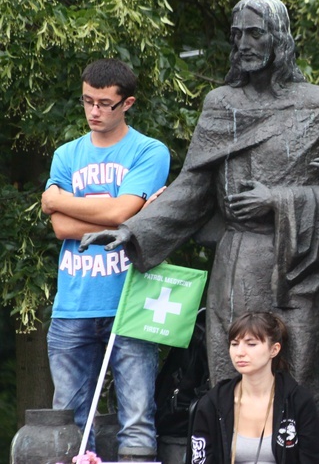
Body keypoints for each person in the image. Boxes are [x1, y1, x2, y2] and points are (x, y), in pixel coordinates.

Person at [79, 0, 319, 463]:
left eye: (255, 33)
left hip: (296, 267)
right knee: (231, 380)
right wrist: (134, 230)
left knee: (301, 385)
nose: (243, 43)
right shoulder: (220, 104)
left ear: (279, 38)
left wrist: (280, 200)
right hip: (238, 263)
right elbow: (193, 187)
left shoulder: (315, 104)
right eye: (237, 34)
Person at [41, 58, 170, 461]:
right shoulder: (66, 153)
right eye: (87, 101)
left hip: (130, 301)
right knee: (71, 423)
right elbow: (60, 228)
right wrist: (117, 212)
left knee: (137, 420)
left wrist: (61, 201)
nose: (94, 111)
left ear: (127, 103)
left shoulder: (149, 151)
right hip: (72, 305)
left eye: (104, 103)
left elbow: (119, 214)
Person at [190, 311, 319, 464]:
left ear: (274, 349)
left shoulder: (297, 401)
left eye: (251, 344)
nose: (240, 352)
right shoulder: (213, 403)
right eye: (234, 344)